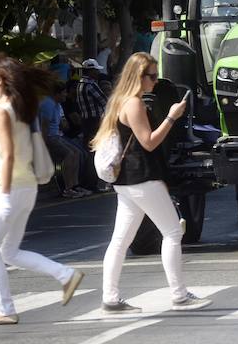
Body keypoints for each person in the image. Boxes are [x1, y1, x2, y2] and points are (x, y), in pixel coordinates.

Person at [92, 52, 212, 313]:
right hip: (142, 177)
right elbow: (149, 141)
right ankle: (179, 294)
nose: (155, 82)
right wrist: (172, 116)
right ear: (138, 76)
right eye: (151, 76)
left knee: (120, 241)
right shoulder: (133, 104)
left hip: (126, 181)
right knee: (171, 232)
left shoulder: (119, 101)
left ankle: (110, 298)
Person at [0, 54, 85, 325]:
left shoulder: (4, 111)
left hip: (11, 188)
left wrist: (2, 193)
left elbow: (10, 155)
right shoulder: (21, 106)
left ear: (0, 80)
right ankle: (66, 275)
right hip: (26, 188)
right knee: (8, 252)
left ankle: (5, 310)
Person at [38, 82, 90, 198]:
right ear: (56, 94)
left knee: (76, 153)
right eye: (64, 93)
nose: (66, 95)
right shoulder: (48, 104)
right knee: (69, 154)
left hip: (57, 135)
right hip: (50, 137)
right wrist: (43, 144)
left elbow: (62, 124)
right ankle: (67, 188)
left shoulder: (57, 105)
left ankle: (74, 185)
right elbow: (44, 126)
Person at [77, 59, 107, 190]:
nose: (97, 72)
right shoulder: (91, 85)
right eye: (95, 70)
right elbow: (104, 101)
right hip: (95, 121)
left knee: (89, 151)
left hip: (86, 121)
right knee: (95, 152)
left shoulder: (80, 85)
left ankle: (86, 182)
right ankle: (92, 183)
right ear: (90, 71)